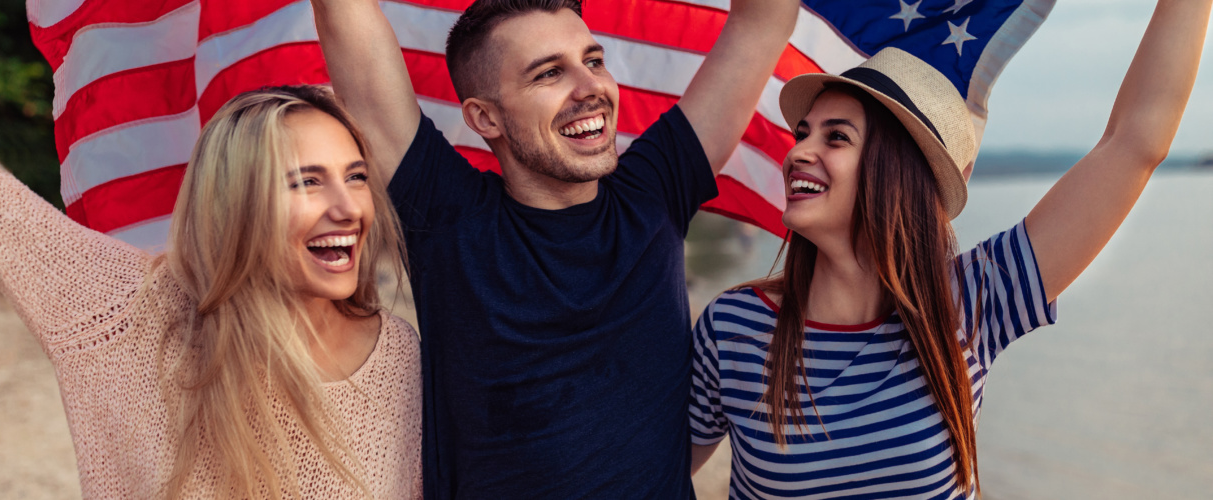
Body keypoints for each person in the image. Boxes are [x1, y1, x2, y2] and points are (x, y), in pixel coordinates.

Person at [687, 1, 1211, 498]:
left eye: (836, 137)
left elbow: (1135, 142)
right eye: (802, 133)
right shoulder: (735, 329)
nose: (799, 151)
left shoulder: (969, 305)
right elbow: (645, 476)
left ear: (895, 172)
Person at [309, 0, 800, 496]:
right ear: (485, 117)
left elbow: (762, 22)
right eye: (548, 74)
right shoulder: (446, 217)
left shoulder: (654, 194)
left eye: (593, 60)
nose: (591, 89)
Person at [0, 76, 421, 498]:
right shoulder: (128, 315)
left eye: (355, 177)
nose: (349, 208)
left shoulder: (404, 358)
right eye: (306, 182)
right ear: (236, 201)